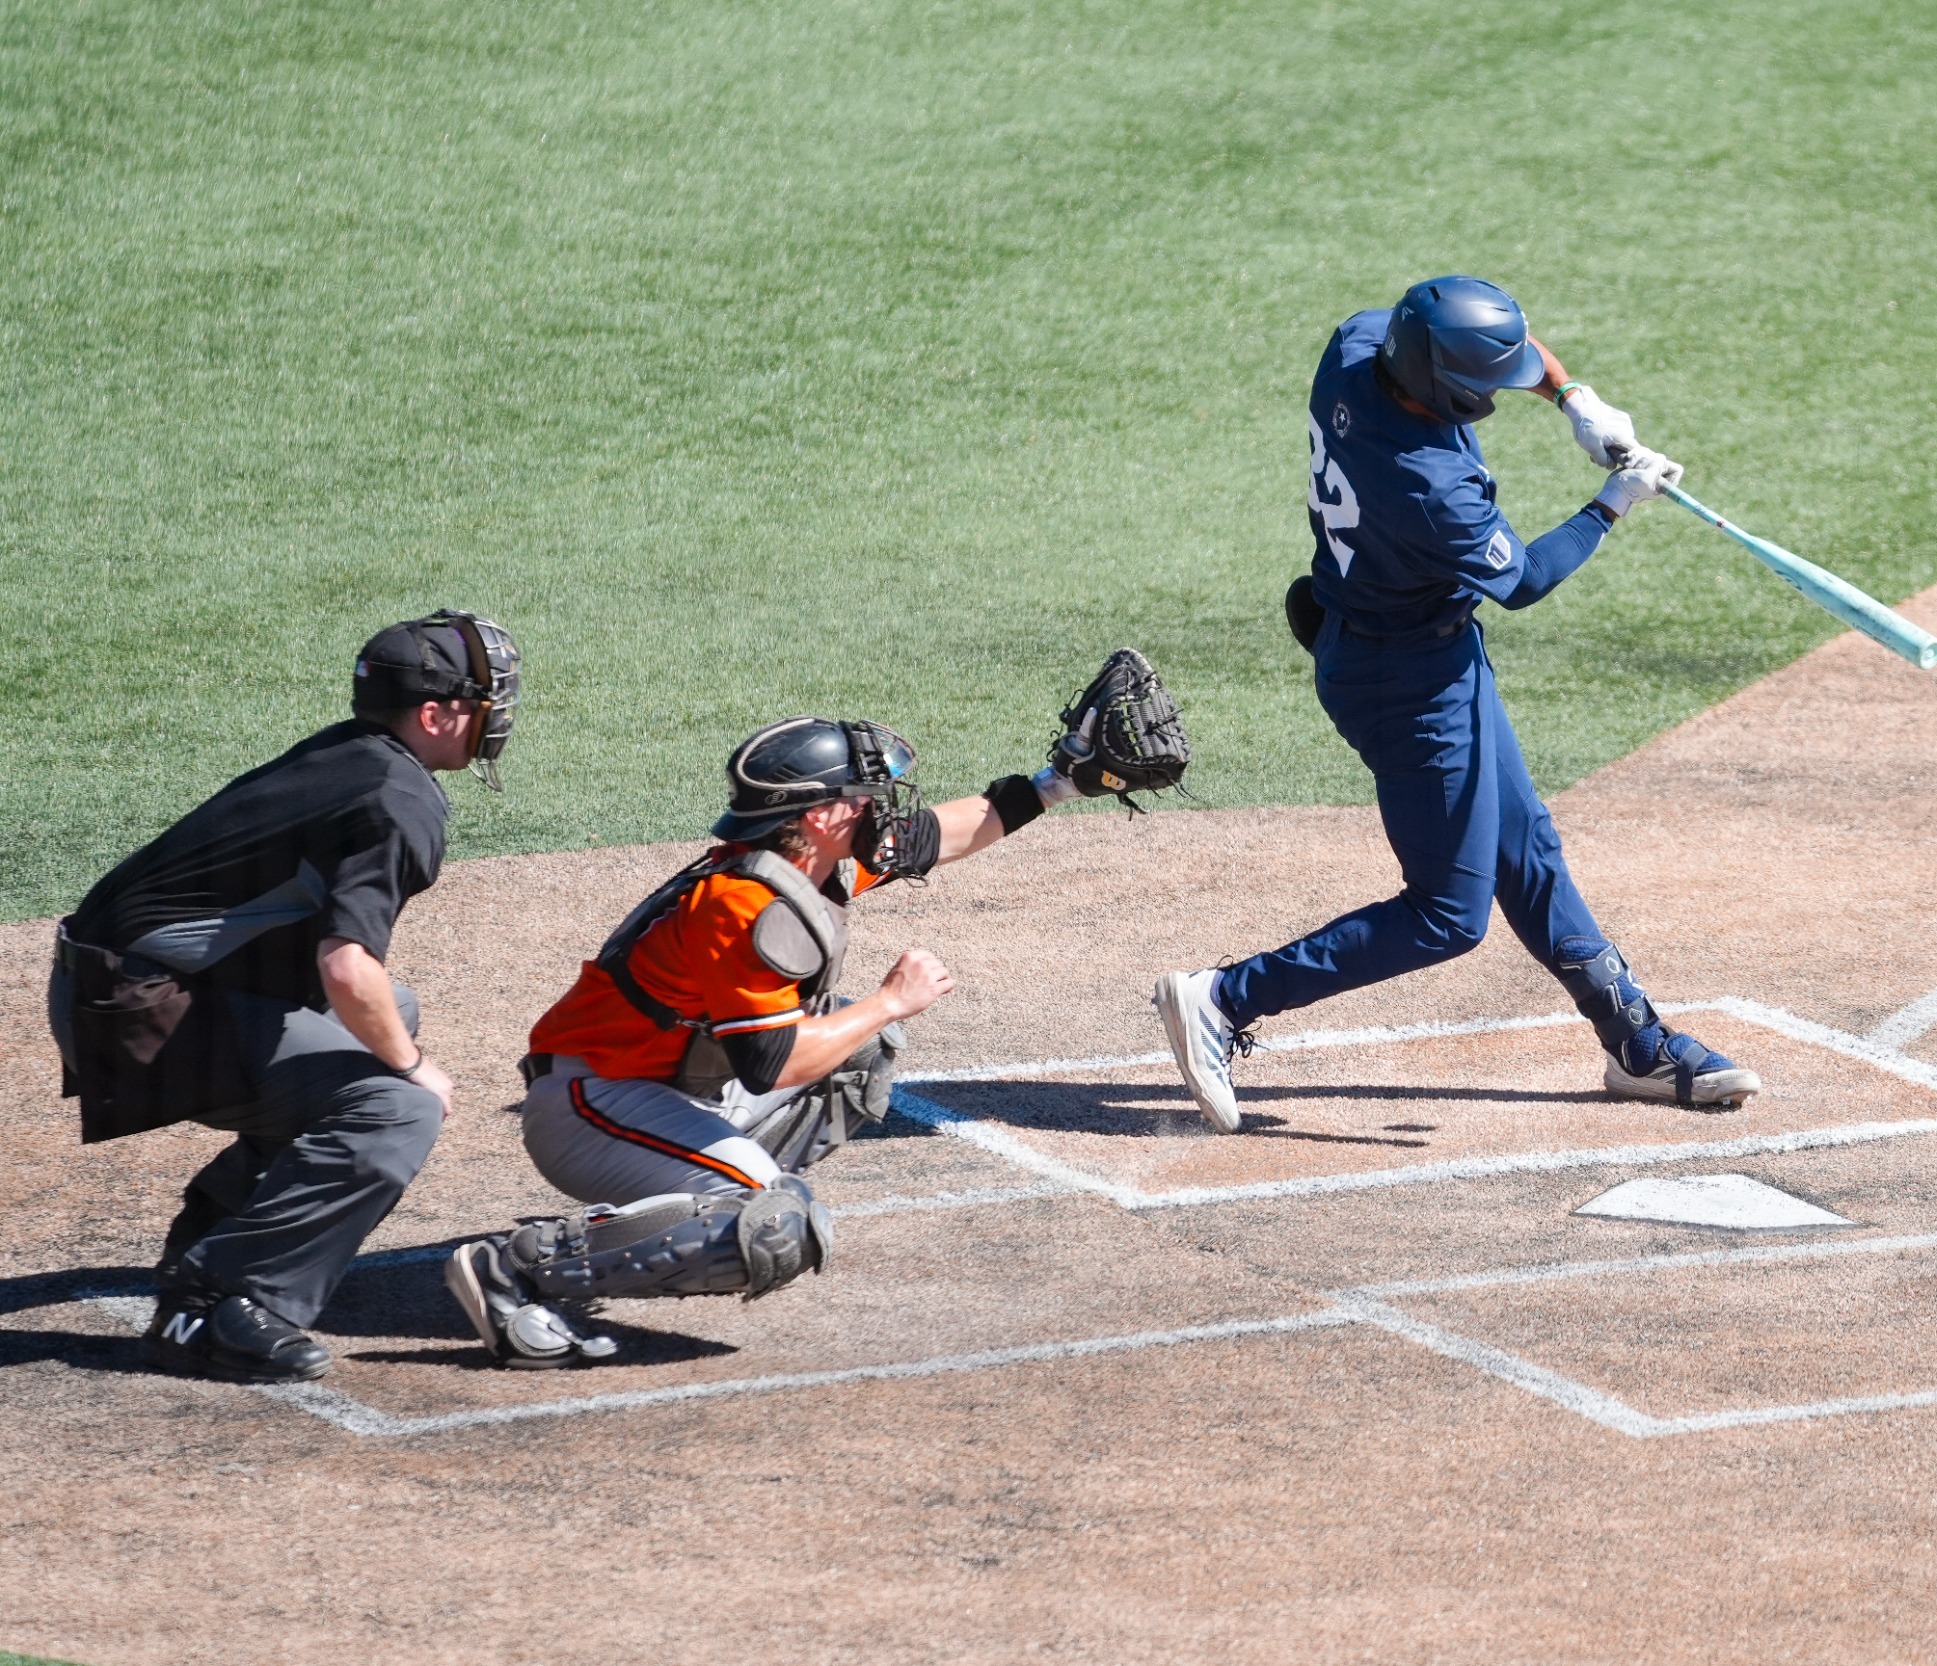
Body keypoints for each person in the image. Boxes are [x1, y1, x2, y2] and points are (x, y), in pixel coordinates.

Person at [447, 654, 1188, 1367]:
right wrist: (890, 1001)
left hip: (664, 1089)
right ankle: (515, 1269)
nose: (879, 805)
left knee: (856, 1059)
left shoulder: (805, 861)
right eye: (864, 795)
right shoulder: (743, 906)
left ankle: (682, 1211)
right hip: (593, 1105)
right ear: (820, 814)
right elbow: (773, 1066)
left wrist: (1059, 783)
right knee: (775, 1223)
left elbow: (937, 835)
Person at [1152, 276, 1761, 1132]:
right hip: (1406, 687)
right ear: (1443, 385)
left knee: (1527, 848)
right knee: (1446, 915)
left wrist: (1576, 400)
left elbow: (1497, 348)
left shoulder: (1357, 348)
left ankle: (1637, 1043)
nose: (1504, 391)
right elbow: (1526, 579)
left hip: (1411, 648)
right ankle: (1222, 998)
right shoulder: (1429, 485)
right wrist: (1612, 503)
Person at [51, 610, 521, 1381]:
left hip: (116, 983)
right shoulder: (397, 797)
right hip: (137, 1011)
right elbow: (348, 968)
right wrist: (415, 1070)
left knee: (389, 1019)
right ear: (437, 715)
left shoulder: (350, 753)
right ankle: (219, 1304)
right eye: (483, 702)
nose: (497, 716)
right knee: (395, 1105)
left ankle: (219, 1234)